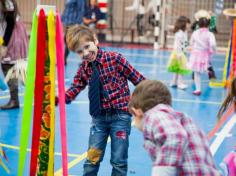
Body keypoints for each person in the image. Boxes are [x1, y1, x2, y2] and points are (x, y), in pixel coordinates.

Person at [63, 24, 146, 176]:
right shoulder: (84, 68)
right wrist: (59, 99)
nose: (86, 53)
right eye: (80, 51)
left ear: (95, 40)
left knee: (119, 161)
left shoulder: (115, 59)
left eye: (87, 47)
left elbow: (140, 80)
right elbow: (75, 87)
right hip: (98, 119)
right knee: (92, 159)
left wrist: (140, 102)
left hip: (120, 117)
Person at [128, 79, 221, 176]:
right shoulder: (183, 120)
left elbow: (175, 136)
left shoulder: (154, 115)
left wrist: (161, 172)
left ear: (137, 111)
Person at [0, 0, 28, 110]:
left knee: (9, 66)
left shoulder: (6, 2)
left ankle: (14, 100)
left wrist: (4, 45)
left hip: (11, 36)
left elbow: (10, 24)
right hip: (5, 34)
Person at [188, 16, 216, 96]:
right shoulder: (210, 34)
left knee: (197, 73)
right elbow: (213, 44)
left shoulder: (195, 33)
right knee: (207, 66)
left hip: (196, 54)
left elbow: (190, 43)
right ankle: (209, 72)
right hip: (205, 54)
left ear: (198, 24)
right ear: (208, 25)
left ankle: (198, 89)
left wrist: (184, 46)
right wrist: (213, 49)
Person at [191, 9, 217, 80]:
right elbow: (192, 27)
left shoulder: (207, 27)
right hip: (200, 49)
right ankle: (210, 75)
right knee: (202, 63)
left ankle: (210, 74)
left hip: (202, 49)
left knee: (206, 62)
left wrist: (212, 17)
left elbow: (213, 28)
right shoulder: (197, 26)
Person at [167, 16, 191, 90]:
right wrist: (179, 54)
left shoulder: (184, 32)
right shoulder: (179, 34)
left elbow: (185, 42)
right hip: (178, 53)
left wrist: (186, 49)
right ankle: (180, 83)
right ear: (184, 24)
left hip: (182, 52)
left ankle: (174, 82)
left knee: (178, 68)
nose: (189, 25)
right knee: (181, 68)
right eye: (188, 23)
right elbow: (178, 45)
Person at [61, 0, 85, 65]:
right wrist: (61, 18)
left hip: (73, 22)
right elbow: (66, 9)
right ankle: (64, 59)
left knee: (72, 41)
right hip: (66, 22)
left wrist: (78, 23)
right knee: (67, 40)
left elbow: (81, 10)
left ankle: (64, 59)